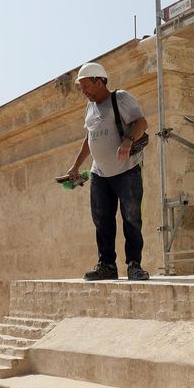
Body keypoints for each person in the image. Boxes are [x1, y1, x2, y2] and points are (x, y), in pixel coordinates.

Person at [64, 61, 150, 281]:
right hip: (99, 173)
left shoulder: (120, 98)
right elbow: (89, 138)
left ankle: (134, 264)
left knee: (131, 218)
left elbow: (142, 123)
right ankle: (107, 265)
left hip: (127, 169)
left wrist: (128, 141)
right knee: (101, 220)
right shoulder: (90, 107)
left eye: (86, 86)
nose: (84, 92)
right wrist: (76, 166)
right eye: (81, 88)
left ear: (99, 81)